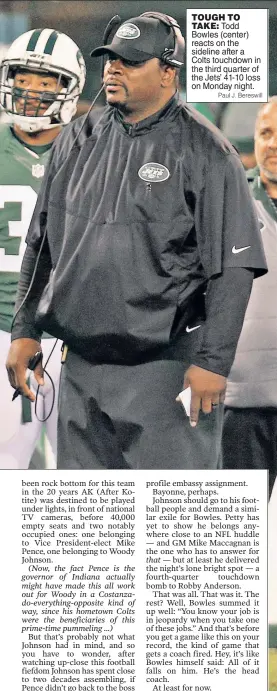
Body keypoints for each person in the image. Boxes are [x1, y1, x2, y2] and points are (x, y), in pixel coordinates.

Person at [6, 12, 267, 470]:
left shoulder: (208, 151)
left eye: (130, 61)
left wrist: (214, 362)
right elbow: (41, 241)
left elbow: (234, 267)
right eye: (110, 60)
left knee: (171, 523)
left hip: (164, 370)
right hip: (81, 368)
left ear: (168, 71)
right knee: (89, 525)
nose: (113, 69)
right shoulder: (77, 138)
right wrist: (26, 329)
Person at [0, 27, 86, 468]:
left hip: (75, 338)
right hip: (2, 331)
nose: (31, 90)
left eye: (46, 81)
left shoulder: (93, 153)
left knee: (81, 474)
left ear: (67, 89)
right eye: (23, 77)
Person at [222, 98, 277, 500]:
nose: (272, 144)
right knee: (236, 538)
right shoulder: (228, 200)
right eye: (265, 133)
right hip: (243, 398)